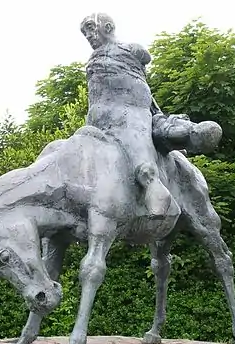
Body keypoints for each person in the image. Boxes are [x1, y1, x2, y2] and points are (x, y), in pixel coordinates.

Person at [80, 13, 171, 218]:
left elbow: (144, 61)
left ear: (108, 27)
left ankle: (153, 187)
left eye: (91, 29)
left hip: (131, 111)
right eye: (85, 33)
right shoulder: (92, 61)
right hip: (98, 118)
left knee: (136, 144)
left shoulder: (130, 50)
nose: (88, 36)